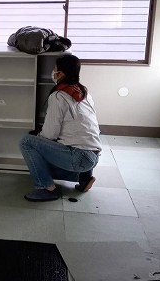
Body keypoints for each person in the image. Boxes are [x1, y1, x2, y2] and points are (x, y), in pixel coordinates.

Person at [19, 54, 101, 201]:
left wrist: (37, 137)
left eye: (55, 68)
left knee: (27, 142)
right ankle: (83, 177)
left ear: (61, 73)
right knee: (47, 157)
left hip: (78, 157)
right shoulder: (84, 93)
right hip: (93, 156)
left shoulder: (58, 96)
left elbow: (50, 134)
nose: (53, 71)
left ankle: (46, 188)